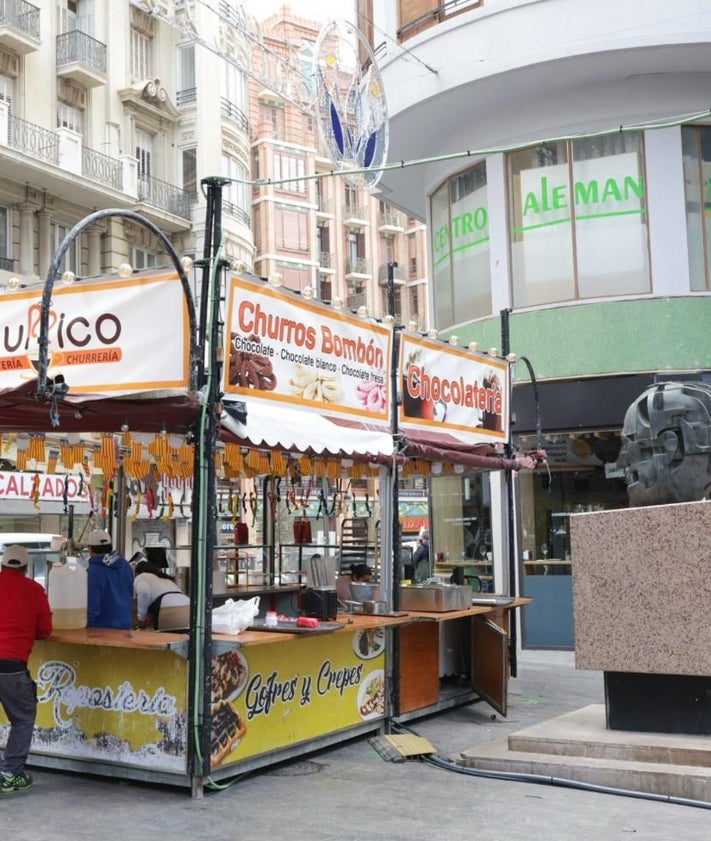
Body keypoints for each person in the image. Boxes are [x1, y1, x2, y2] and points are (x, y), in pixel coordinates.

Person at [0, 545, 52, 793]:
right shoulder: (34, 590)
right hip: (11, 666)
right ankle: (11, 774)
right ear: (25, 567)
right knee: (22, 720)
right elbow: (45, 631)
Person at [86, 529, 134, 629]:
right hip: (125, 627)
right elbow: (130, 592)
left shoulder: (92, 572)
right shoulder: (124, 565)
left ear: (90, 549)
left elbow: (92, 606)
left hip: (101, 630)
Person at [133, 560, 190, 631]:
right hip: (188, 606)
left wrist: (141, 618)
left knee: (162, 639)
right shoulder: (163, 578)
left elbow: (144, 592)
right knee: (180, 638)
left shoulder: (141, 576)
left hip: (168, 608)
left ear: (137, 572)